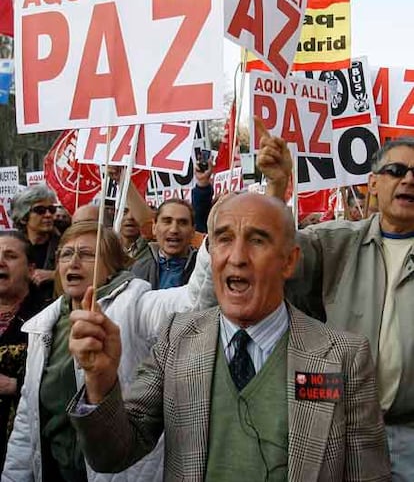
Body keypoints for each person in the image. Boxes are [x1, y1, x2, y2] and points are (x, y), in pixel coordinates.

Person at [67, 194, 390, 481]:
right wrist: (101, 383)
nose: (236, 257)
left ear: (289, 261)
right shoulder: (176, 338)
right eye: (223, 239)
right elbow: (112, 455)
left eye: (257, 240)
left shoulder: (342, 357)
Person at [256, 123, 414, 480]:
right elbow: (274, 253)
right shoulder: (334, 243)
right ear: (372, 184)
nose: (408, 180)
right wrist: (278, 187)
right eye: (396, 170)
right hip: (338, 425)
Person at [2, 221, 214, 482]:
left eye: (87, 254)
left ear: (113, 265)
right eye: (66, 254)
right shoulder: (43, 326)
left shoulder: (138, 306)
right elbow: (28, 421)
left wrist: (216, 237)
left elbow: (196, 303)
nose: (74, 262)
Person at [0, 231, 52, 471]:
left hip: (23, 448)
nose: (0, 261)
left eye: (10, 256)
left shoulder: (48, 316)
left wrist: (13, 384)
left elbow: (61, 380)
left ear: (31, 270)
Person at [132, 198, 197, 288]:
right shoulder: (137, 269)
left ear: (193, 231)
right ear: (154, 227)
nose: (174, 229)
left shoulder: (204, 270)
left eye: (182, 223)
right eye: (167, 221)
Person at [11, 185, 59, 295]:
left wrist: (53, 275)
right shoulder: (11, 246)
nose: (48, 215)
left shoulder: (65, 243)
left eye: (52, 210)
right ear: (23, 217)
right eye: (40, 210)